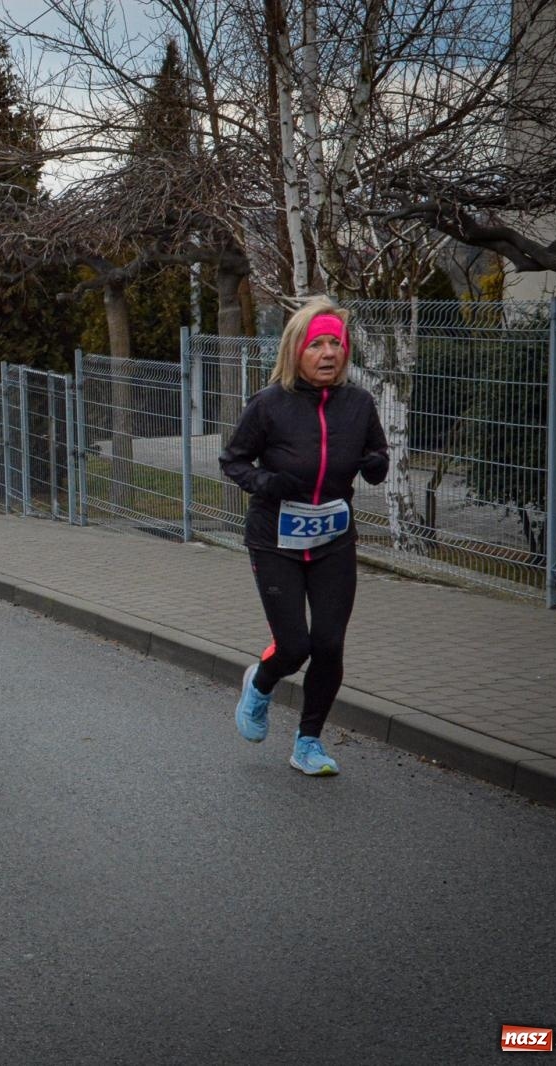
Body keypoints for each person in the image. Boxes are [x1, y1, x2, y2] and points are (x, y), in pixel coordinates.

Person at [219, 298, 389, 776]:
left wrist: (377, 464)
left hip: (333, 539)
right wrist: (266, 482)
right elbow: (233, 460)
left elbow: (378, 457)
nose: (328, 353)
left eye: (336, 343)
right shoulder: (269, 404)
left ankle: (308, 743)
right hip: (276, 539)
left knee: (329, 644)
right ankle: (260, 683)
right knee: (295, 646)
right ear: (296, 350)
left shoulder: (359, 404)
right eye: (317, 344)